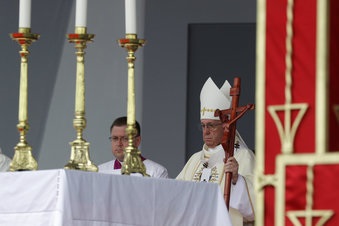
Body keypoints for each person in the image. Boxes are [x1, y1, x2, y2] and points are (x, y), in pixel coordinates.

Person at [176, 77, 255, 226]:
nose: (206, 132)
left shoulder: (242, 156)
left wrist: (237, 180)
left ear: (226, 126)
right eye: (203, 126)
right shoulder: (195, 160)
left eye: (211, 125)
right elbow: (177, 194)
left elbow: (256, 207)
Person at [98, 116, 169, 178]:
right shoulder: (100, 171)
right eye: (115, 138)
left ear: (137, 141)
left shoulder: (156, 172)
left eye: (125, 138)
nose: (119, 144)